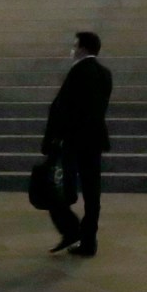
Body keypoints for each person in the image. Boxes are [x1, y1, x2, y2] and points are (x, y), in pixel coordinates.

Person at [43, 30, 113, 256]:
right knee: (93, 193)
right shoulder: (105, 73)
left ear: (82, 48)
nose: (72, 50)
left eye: (75, 46)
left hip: (73, 140)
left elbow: (61, 109)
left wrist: (51, 138)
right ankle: (89, 240)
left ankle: (71, 229)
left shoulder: (78, 72)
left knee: (57, 188)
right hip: (95, 139)